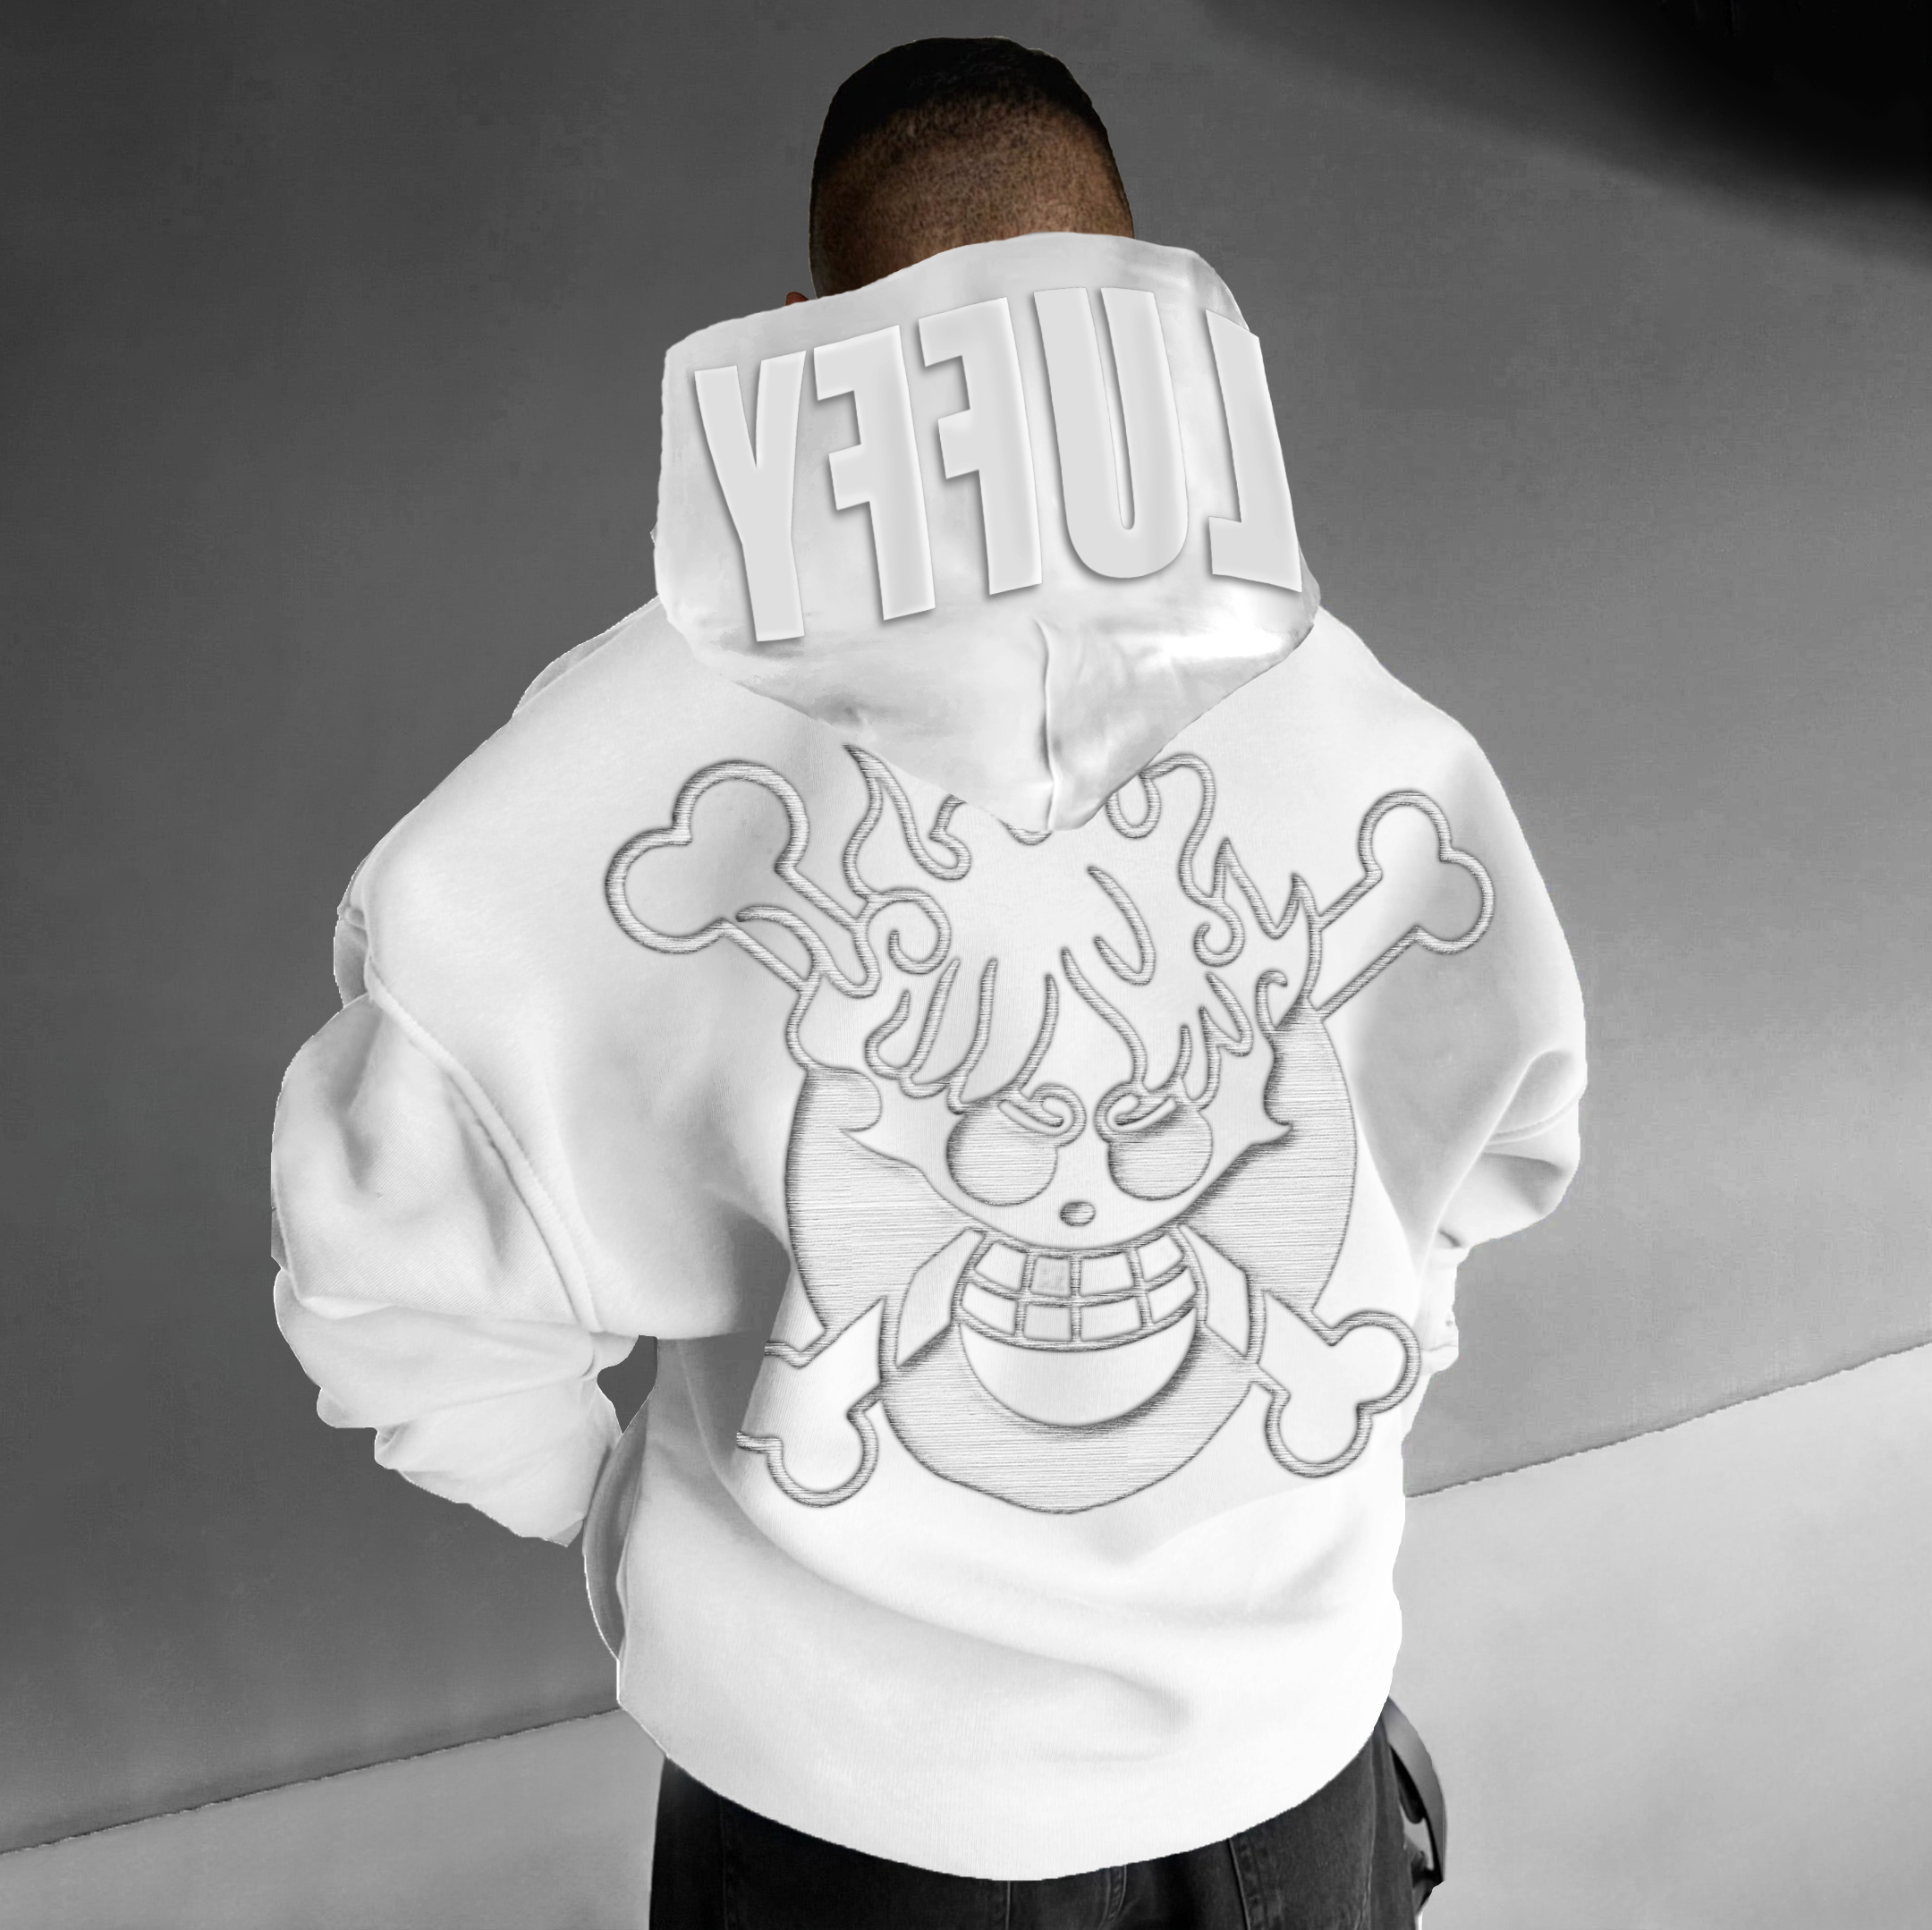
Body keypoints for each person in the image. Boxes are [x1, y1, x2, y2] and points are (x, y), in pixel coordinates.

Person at [269, 37, 1586, 1930]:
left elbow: (386, 1273)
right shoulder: (1370, 723)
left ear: (820, 326)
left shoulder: (595, 764)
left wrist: (616, 1514)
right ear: (1143, 290)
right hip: (1286, 1759)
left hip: (859, 1815)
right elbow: (1488, 1147)